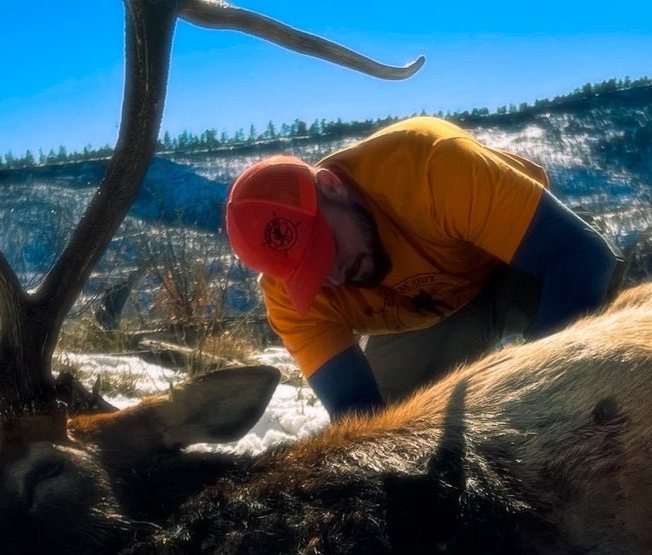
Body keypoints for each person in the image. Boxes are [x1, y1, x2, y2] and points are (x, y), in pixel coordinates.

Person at [223, 115, 620, 419]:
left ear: (332, 186)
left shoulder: (429, 165)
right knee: (395, 430)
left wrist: (539, 392)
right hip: (426, 319)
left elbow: (581, 256)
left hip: (514, 264)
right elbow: (355, 414)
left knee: (605, 332)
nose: (336, 276)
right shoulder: (289, 301)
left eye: (326, 250)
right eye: (313, 274)